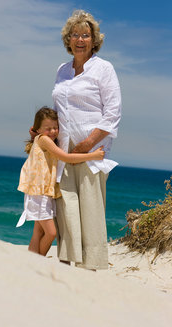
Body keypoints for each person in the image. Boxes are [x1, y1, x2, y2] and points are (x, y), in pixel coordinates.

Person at [51, 10, 122, 269]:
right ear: (68, 40)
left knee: (91, 210)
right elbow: (59, 110)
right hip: (64, 149)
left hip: (93, 151)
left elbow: (112, 113)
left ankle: (90, 268)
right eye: (75, 35)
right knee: (66, 207)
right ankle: (66, 261)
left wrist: (87, 145)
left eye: (85, 35)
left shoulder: (104, 69)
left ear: (94, 40)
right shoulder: (62, 70)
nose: (80, 39)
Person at [16, 106, 105, 257]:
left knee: (38, 232)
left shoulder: (42, 138)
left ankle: (30, 262)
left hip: (43, 191)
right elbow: (65, 157)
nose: (52, 131)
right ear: (37, 129)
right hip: (39, 192)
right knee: (51, 233)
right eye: (48, 128)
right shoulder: (43, 140)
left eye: (55, 128)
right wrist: (93, 156)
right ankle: (38, 261)